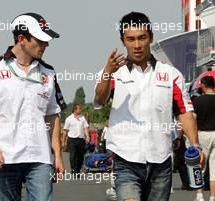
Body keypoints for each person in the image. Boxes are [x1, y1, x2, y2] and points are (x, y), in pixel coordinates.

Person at [94, 11, 204, 201]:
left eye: (142, 38)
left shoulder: (171, 74)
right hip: (125, 158)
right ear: (123, 41)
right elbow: (99, 99)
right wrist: (107, 73)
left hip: (160, 159)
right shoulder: (113, 73)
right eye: (131, 39)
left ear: (151, 37)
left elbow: (185, 112)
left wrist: (194, 145)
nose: (137, 45)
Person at [0, 13, 66, 201]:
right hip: (4, 157)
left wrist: (58, 155)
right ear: (22, 39)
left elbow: (53, 115)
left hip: (40, 158)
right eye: (40, 40)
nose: (46, 45)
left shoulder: (48, 72)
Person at [192, 76, 215, 201]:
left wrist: (193, 137)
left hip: (203, 135)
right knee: (214, 168)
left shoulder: (198, 101)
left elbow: (193, 119)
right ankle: (213, 196)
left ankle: (199, 195)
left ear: (203, 86)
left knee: (200, 165)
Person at [62, 103, 89, 174]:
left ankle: (78, 169)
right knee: (72, 155)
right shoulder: (69, 119)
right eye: (79, 108)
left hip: (80, 139)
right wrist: (63, 141)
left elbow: (86, 127)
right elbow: (65, 130)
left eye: (80, 108)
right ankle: (73, 169)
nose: (80, 110)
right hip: (72, 140)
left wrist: (88, 136)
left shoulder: (82, 118)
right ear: (74, 109)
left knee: (81, 156)